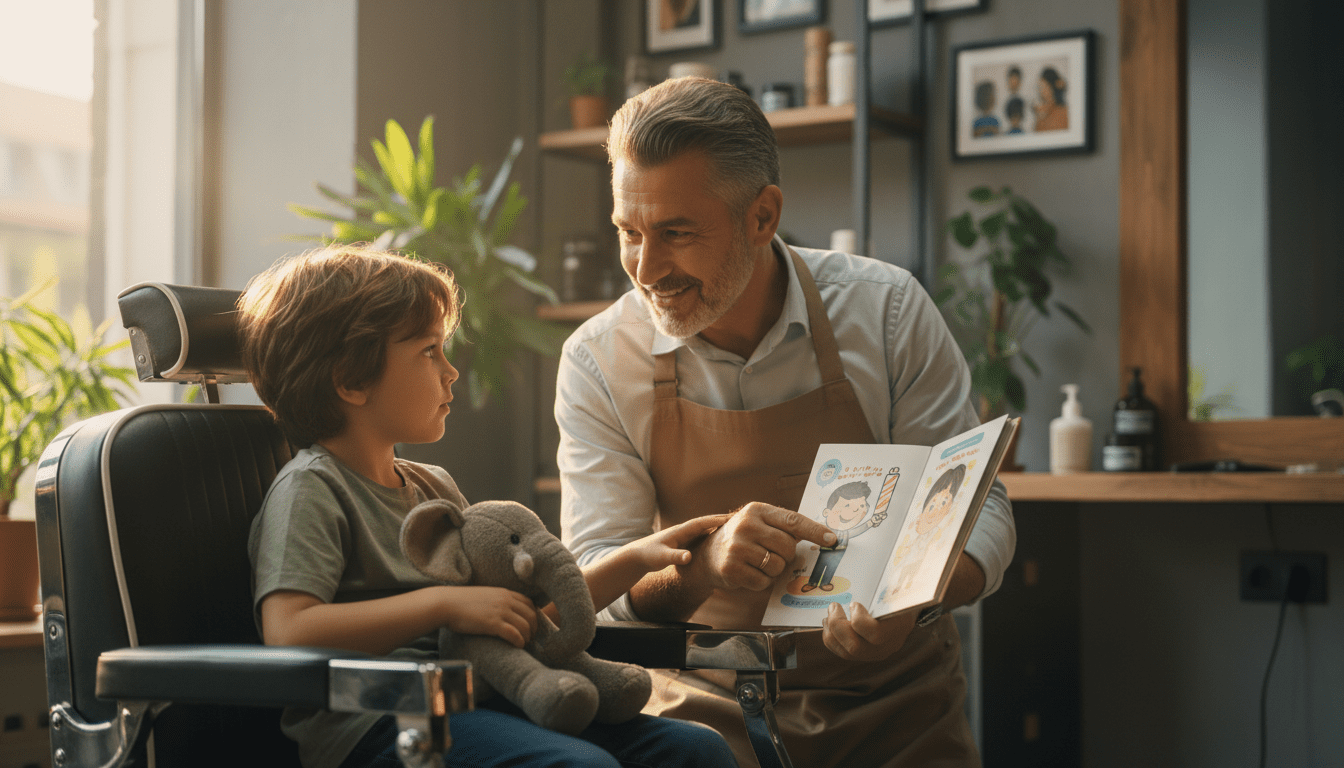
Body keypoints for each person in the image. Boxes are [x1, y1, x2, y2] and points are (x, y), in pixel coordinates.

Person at [555, 76, 1016, 767]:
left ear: (762, 216)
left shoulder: (887, 313)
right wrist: (701, 566)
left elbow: (980, 513)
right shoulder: (597, 360)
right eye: (628, 232)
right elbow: (593, 580)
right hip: (705, 717)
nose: (646, 269)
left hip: (899, 708)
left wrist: (910, 604)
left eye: (676, 233)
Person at [239, 245, 739, 768]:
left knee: (693, 750)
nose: (452, 372)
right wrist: (445, 605)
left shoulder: (432, 487)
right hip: (379, 724)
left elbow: (519, 619)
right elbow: (289, 631)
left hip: (480, 698)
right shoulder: (310, 490)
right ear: (351, 380)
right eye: (429, 352)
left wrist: (635, 559)